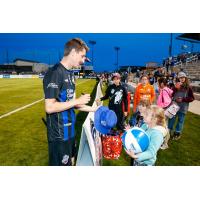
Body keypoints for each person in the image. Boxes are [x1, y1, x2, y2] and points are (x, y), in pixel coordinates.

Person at [43, 38, 97, 166]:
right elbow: (49, 107)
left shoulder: (71, 74)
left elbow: (72, 103)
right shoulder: (55, 72)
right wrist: (77, 100)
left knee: (72, 163)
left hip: (70, 131)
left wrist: (95, 109)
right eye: (82, 56)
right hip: (59, 135)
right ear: (73, 52)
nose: (84, 60)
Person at [168, 72, 194, 140]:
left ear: (185, 78)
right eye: (180, 78)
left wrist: (183, 99)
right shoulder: (175, 86)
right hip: (174, 107)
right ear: (178, 79)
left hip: (183, 108)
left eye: (183, 77)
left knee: (180, 121)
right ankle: (168, 131)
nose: (182, 79)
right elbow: (171, 95)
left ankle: (177, 133)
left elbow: (192, 98)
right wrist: (176, 88)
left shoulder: (188, 88)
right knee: (171, 120)